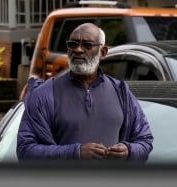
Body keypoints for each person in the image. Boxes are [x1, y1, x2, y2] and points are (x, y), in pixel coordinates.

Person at [16, 23, 153, 161]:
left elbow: (145, 141)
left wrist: (128, 151)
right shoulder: (44, 94)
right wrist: (76, 153)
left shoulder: (121, 92)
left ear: (103, 52)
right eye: (73, 44)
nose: (78, 50)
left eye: (87, 45)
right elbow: (25, 150)